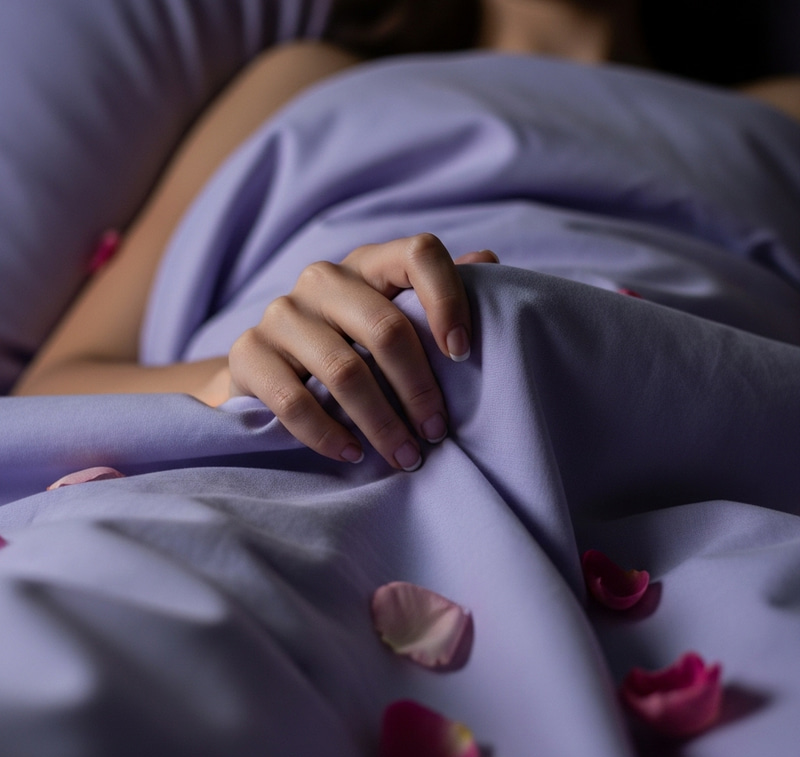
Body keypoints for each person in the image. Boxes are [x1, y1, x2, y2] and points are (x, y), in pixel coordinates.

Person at [11, 0, 800, 473]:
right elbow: (53, 389)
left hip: (700, 452)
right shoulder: (303, 76)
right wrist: (249, 376)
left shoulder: (783, 110)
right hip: (293, 442)